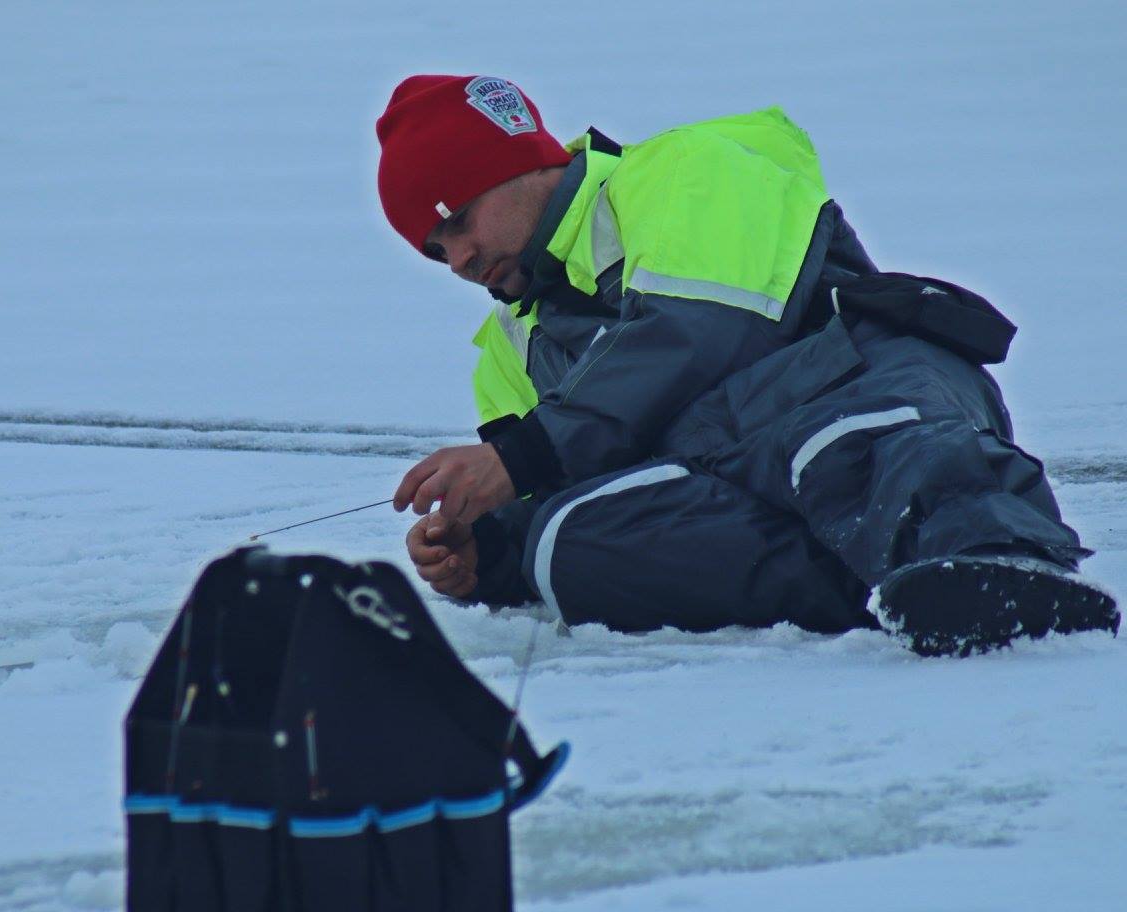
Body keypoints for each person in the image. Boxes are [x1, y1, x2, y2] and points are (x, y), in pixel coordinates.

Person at [373, 74, 1118, 656]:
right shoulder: (507, 345)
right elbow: (542, 485)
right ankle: (913, 585)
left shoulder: (685, 173)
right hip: (720, 471)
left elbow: (701, 334)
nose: (458, 262)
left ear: (520, 166)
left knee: (838, 445)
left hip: (845, 382)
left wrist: (524, 453)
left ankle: (999, 558)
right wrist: (490, 549)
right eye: (435, 252)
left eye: (458, 222)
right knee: (568, 542)